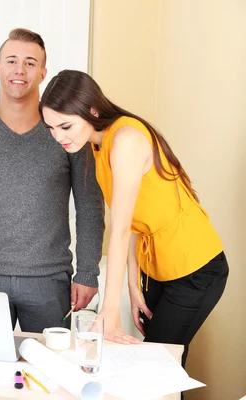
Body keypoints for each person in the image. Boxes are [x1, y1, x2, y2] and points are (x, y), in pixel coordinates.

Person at [40, 69, 229, 366]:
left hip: (195, 266)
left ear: (91, 109)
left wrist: (109, 315)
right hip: (157, 266)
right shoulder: (96, 143)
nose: (58, 137)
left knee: (156, 362)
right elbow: (132, 219)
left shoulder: (125, 139)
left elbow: (120, 228)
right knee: (166, 362)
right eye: (51, 128)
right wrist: (134, 284)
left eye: (65, 126)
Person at [0, 28, 104, 333]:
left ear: (43, 73)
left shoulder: (68, 134)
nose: (20, 70)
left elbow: (90, 206)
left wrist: (87, 272)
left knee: (53, 371)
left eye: (30, 63)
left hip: (49, 281)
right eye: (12, 61)